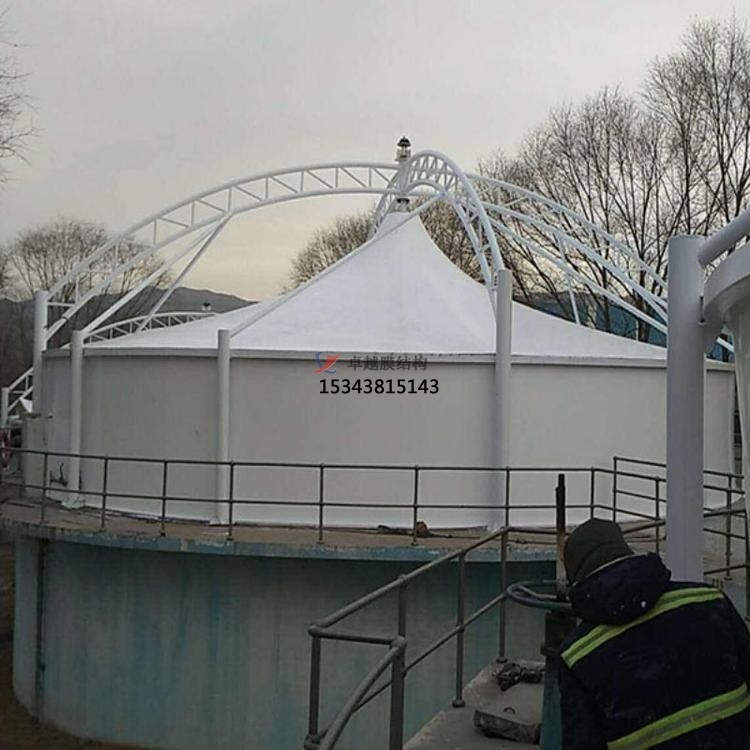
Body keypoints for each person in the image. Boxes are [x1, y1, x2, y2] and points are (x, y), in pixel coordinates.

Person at [558, 518, 750, 749]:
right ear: (626, 551)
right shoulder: (710, 600)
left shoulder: (577, 656)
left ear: (577, 580)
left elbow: (582, 741)